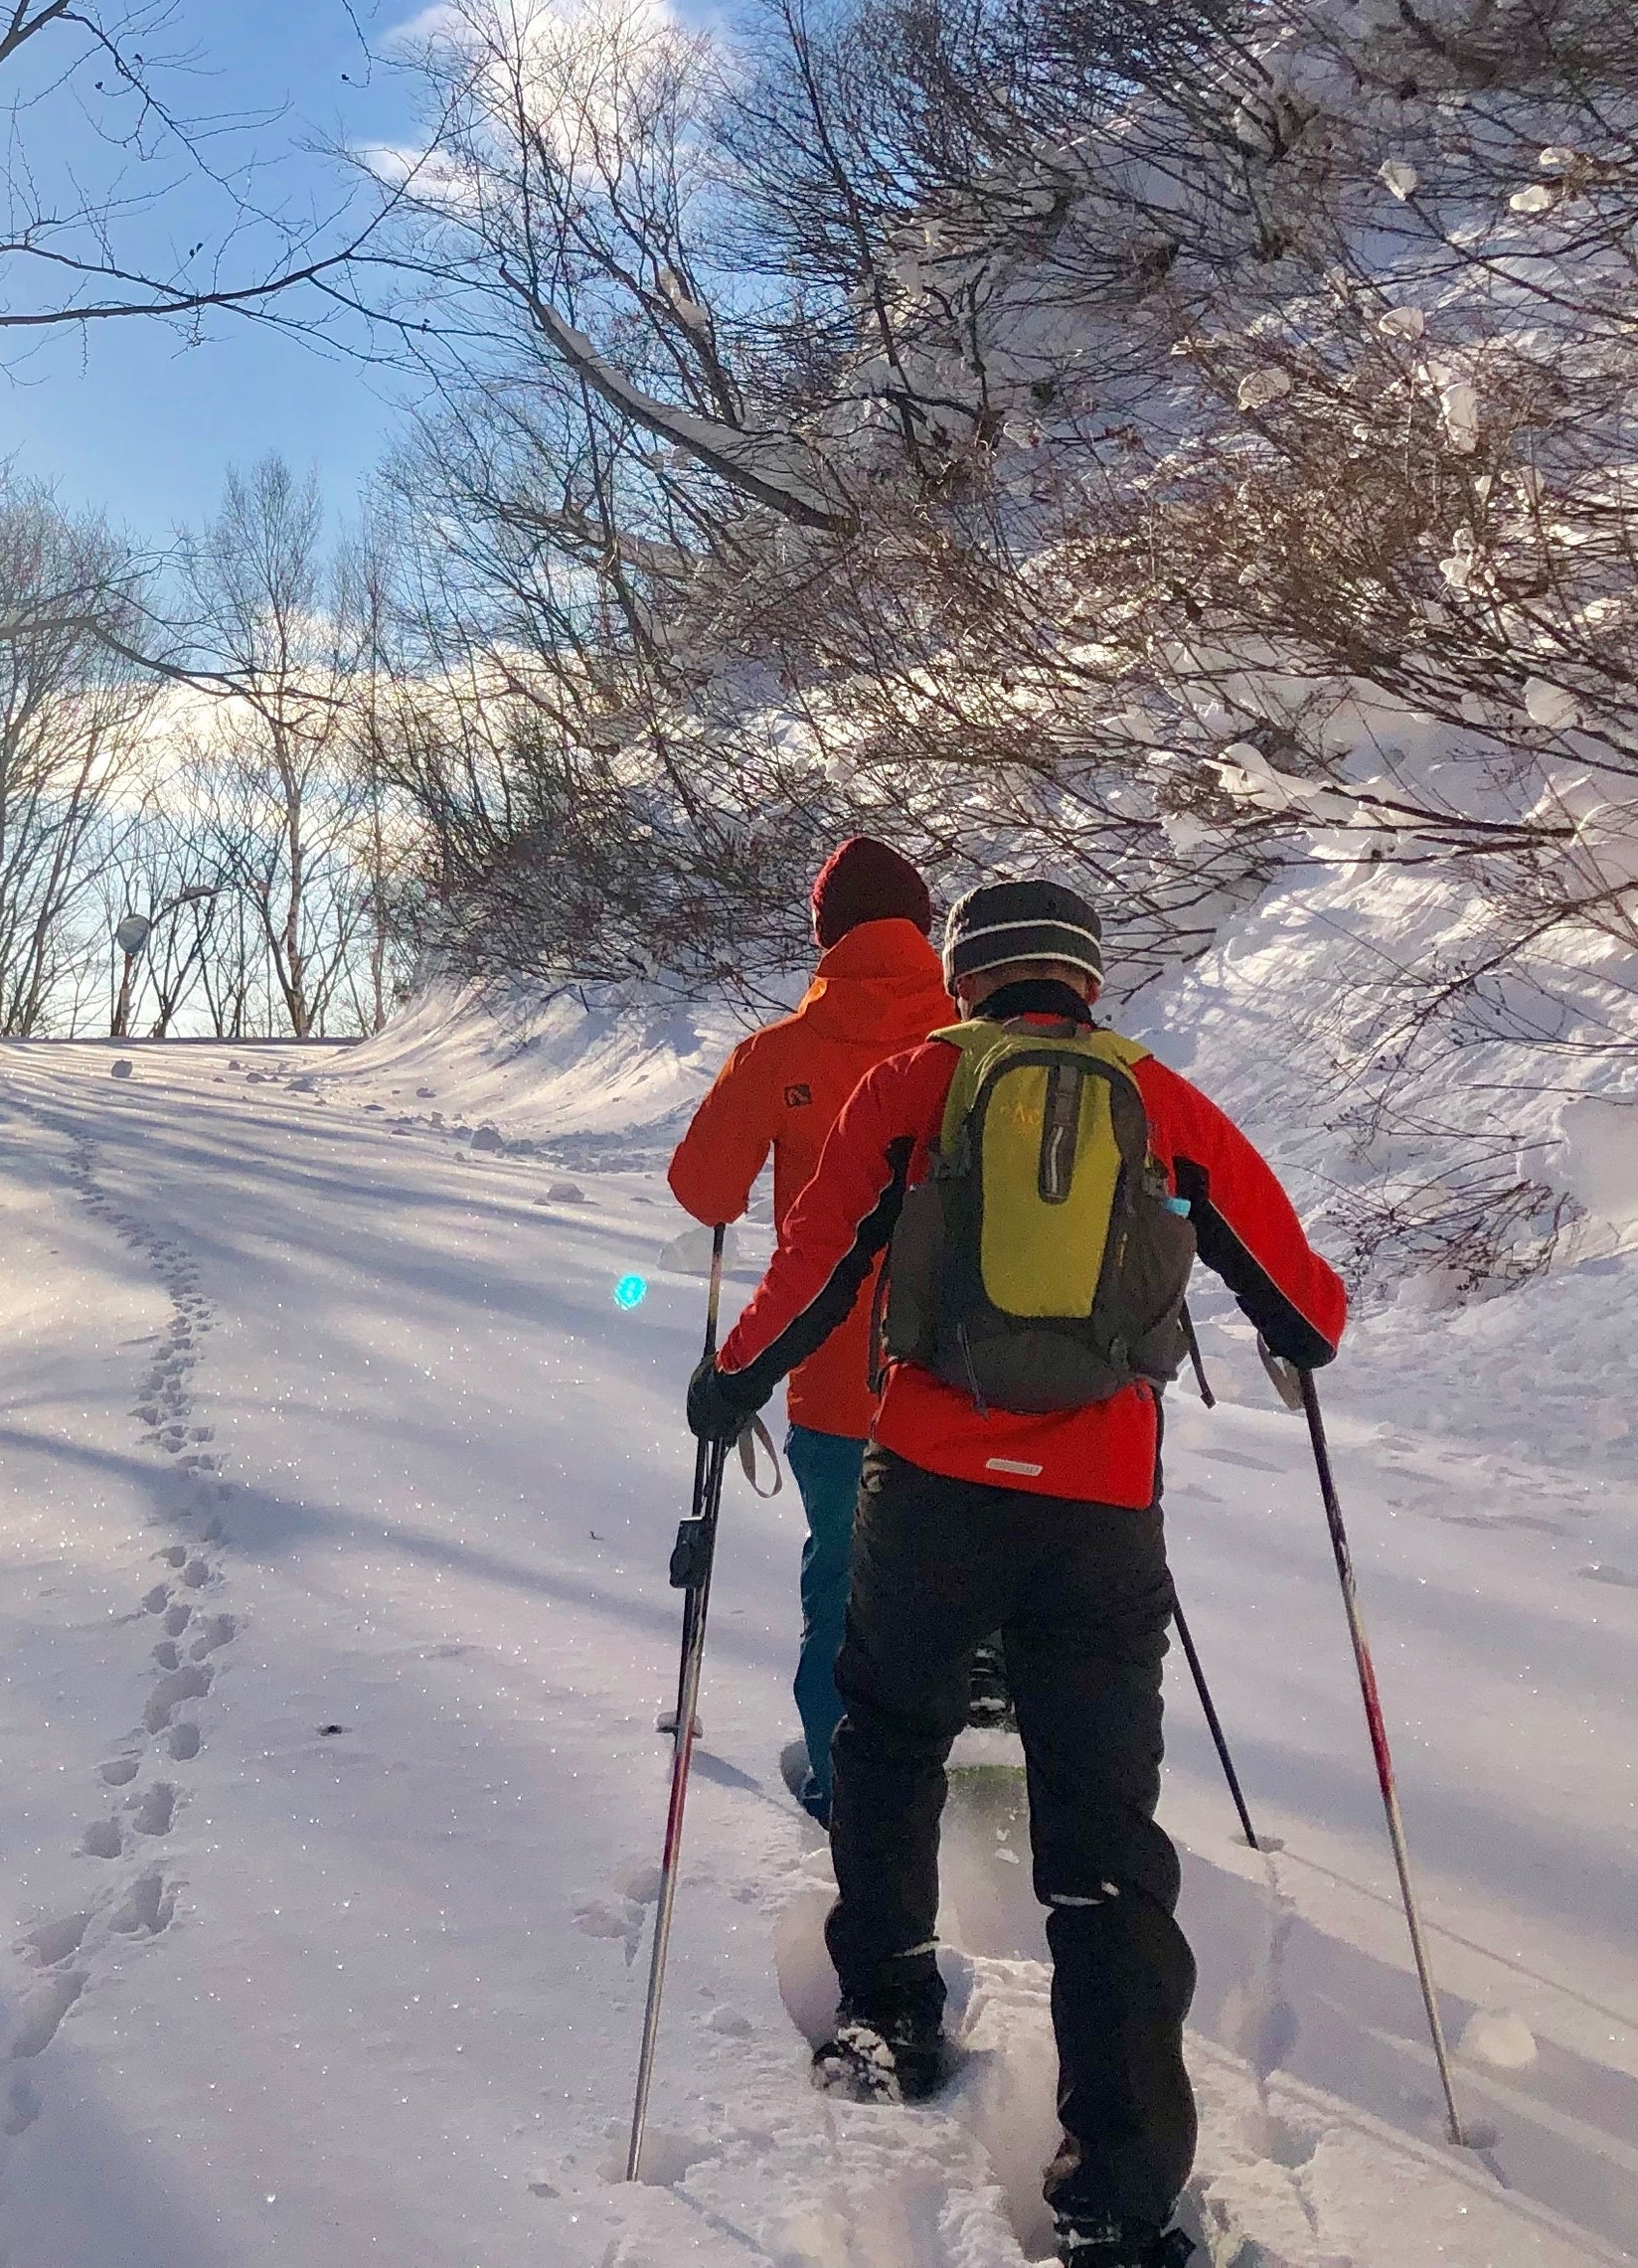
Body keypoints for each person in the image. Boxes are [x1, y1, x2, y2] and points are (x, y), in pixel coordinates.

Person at [680, 877, 1346, 2268]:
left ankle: (889, 2013)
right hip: (1099, 1513)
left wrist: (732, 1377)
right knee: (1104, 1841)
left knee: (892, 1736)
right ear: (1089, 976)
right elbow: (1305, 1302)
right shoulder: (1158, 1094)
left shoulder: (916, 1085)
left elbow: (811, 1269)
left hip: (928, 1490)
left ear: (969, 971)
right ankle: (1117, 2191)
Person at [661, 834, 953, 1820]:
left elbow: (702, 1190)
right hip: (966, 1372)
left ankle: (847, 1783)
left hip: (831, 1375)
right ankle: (965, 1752)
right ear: (924, 929)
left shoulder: (777, 1056)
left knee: (845, 1576)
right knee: (964, 1563)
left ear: (824, 935)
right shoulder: (978, 1046)